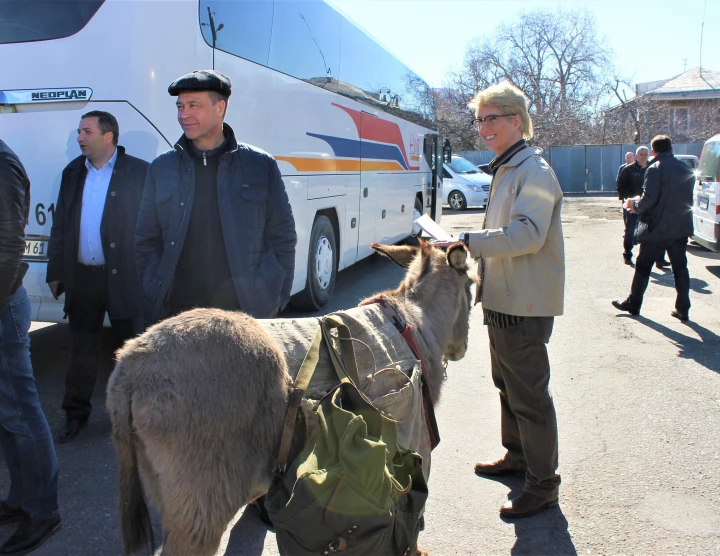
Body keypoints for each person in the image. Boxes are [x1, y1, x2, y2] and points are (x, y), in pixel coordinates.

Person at [434, 82, 565, 518]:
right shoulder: (508, 167)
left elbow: (527, 234)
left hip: (524, 304)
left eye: (492, 118)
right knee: (507, 387)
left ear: (516, 121)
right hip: (504, 300)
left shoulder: (535, 171)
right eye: (480, 119)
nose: (484, 127)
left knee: (530, 396)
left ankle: (543, 484)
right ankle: (518, 458)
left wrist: (468, 241)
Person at [135, 70, 297, 325]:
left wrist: (275, 297)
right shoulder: (161, 168)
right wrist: (150, 286)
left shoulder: (260, 164)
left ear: (220, 107)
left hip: (243, 312)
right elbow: (145, 238)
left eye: (193, 106)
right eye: (180, 107)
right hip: (178, 314)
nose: (183, 115)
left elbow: (283, 235)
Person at [46, 111, 148, 443]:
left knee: (130, 351)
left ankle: (134, 420)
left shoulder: (139, 172)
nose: (80, 137)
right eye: (78, 131)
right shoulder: (73, 172)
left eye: (86, 131)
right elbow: (61, 223)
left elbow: (152, 228)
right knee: (82, 351)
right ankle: (75, 415)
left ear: (108, 136)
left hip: (124, 278)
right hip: (83, 279)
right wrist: (57, 271)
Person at [0, 139, 61, 554]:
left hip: (2, 301)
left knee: (21, 412)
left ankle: (43, 511)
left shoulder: (2, 163)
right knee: (7, 415)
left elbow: (7, 244)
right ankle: (21, 500)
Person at [612, 135, 696, 321]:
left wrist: (634, 206)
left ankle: (634, 303)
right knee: (680, 268)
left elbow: (649, 199)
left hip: (657, 228)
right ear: (671, 149)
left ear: (653, 151)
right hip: (680, 227)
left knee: (643, 267)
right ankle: (683, 308)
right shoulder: (685, 168)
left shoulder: (654, 169)